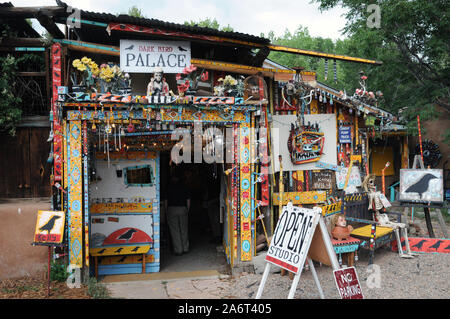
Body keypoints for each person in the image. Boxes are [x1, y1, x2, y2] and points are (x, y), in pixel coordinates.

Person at [165, 169, 191, 256]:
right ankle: (185, 248)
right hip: (183, 209)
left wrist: (166, 211)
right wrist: (187, 209)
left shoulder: (168, 187)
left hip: (172, 209)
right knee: (184, 229)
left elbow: (166, 201)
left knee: (175, 230)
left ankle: (179, 250)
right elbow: (188, 200)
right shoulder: (184, 186)